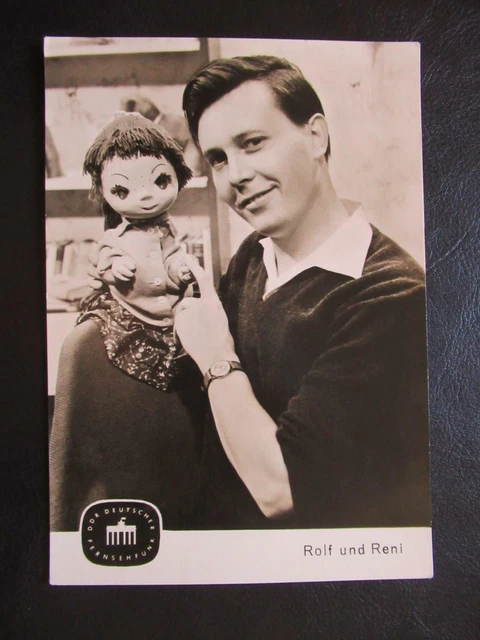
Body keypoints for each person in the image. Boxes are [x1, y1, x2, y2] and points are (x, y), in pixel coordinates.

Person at [171, 55, 430, 529]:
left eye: (253, 143)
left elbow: (282, 489)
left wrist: (216, 358)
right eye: (219, 159)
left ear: (316, 136)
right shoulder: (253, 254)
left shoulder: (393, 296)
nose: (236, 175)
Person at [49, 113, 205, 531]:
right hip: (130, 316)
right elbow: (104, 257)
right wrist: (114, 267)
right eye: (122, 189)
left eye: (160, 181)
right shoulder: (115, 237)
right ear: (104, 192)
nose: (146, 197)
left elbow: (172, 261)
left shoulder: (171, 232)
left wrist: (179, 271)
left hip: (173, 317)